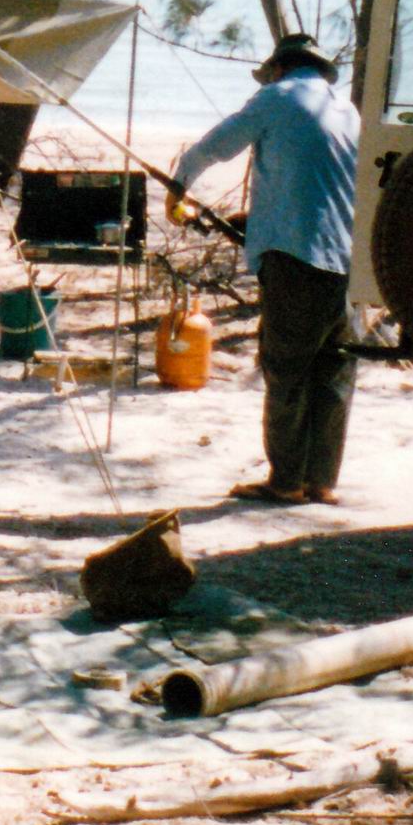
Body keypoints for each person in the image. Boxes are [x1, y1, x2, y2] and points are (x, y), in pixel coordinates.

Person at [168, 32, 363, 505]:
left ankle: (285, 482)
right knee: (333, 374)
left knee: (286, 369)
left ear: (279, 68)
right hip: (349, 260)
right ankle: (321, 481)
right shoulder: (347, 110)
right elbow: (316, 185)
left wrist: (178, 188)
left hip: (299, 258)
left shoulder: (275, 97)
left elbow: (213, 147)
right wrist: (254, 220)